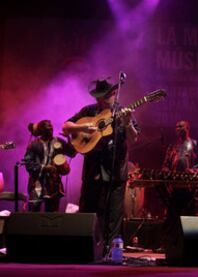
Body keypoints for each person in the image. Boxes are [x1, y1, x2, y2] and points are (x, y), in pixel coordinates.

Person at [63, 78, 139, 251]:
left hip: (116, 171)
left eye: (104, 97)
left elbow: (134, 138)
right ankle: (85, 248)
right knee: (88, 210)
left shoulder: (123, 112)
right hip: (92, 170)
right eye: (98, 97)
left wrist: (128, 123)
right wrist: (82, 128)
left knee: (113, 214)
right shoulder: (89, 111)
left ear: (113, 94)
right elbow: (66, 126)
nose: (100, 100)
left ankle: (111, 251)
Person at [161, 120, 198, 249]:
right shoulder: (172, 146)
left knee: (189, 215)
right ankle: (169, 244)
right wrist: (167, 173)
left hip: (189, 187)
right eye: (176, 126)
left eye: (180, 126)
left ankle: (190, 245)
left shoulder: (196, 144)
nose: (177, 128)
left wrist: (193, 171)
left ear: (187, 128)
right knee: (171, 216)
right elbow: (165, 165)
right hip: (174, 188)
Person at [24, 119, 75, 212]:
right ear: (41, 130)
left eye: (51, 126)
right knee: (33, 214)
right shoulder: (34, 145)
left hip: (53, 184)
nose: (50, 128)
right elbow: (28, 164)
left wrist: (68, 138)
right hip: (37, 183)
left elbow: (72, 153)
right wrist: (44, 168)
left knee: (51, 217)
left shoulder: (58, 142)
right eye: (47, 127)